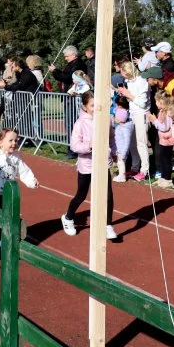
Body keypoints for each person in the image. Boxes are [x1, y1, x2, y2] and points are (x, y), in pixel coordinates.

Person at [61, 92, 118, 239]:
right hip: (87, 164)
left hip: (103, 163)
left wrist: (114, 152)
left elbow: (111, 138)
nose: (96, 108)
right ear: (85, 107)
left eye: (97, 105)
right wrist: (89, 145)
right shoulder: (80, 123)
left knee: (108, 195)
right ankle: (68, 218)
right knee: (81, 195)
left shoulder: (107, 120)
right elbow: (74, 146)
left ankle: (107, 225)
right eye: (92, 105)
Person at [116, 62, 151, 179]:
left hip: (141, 114)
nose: (121, 75)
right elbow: (130, 98)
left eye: (122, 72)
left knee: (141, 143)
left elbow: (142, 103)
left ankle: (145, 170)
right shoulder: (128, 82)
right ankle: (135, 168)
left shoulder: (141, 82)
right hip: (132, 114)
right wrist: (123, 94)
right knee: (132, 143)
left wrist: (129, 95)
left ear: (128, 71)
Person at [149, 90, 174, 188]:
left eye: (156, 101)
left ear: (161, 102)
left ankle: (168, 179)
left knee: (166, 159)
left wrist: (154, 121)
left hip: (167, 140)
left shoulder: (167, 113)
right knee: (162, 158)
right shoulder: (162, 111)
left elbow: (164, 127)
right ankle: (164, 177)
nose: (155, 103)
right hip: (163, 140)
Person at [112, 96, 134, 183]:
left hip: (122, 150)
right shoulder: (120, 126)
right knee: (119, 163)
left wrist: (123, 153)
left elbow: (127, 141)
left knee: (121, 162)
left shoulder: (125, 128)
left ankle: (122, 175)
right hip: (119, 149)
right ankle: (121, 174)